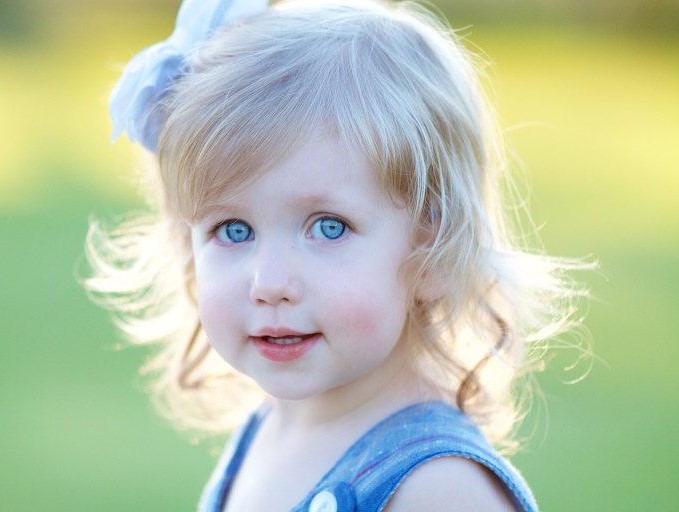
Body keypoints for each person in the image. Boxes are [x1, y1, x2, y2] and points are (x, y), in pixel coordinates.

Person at [85, 0, 589, 510]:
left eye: (328, 228)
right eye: (233, 229)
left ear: (432, 250)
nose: (270, 282)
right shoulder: (264, 431)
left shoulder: (439, 489)